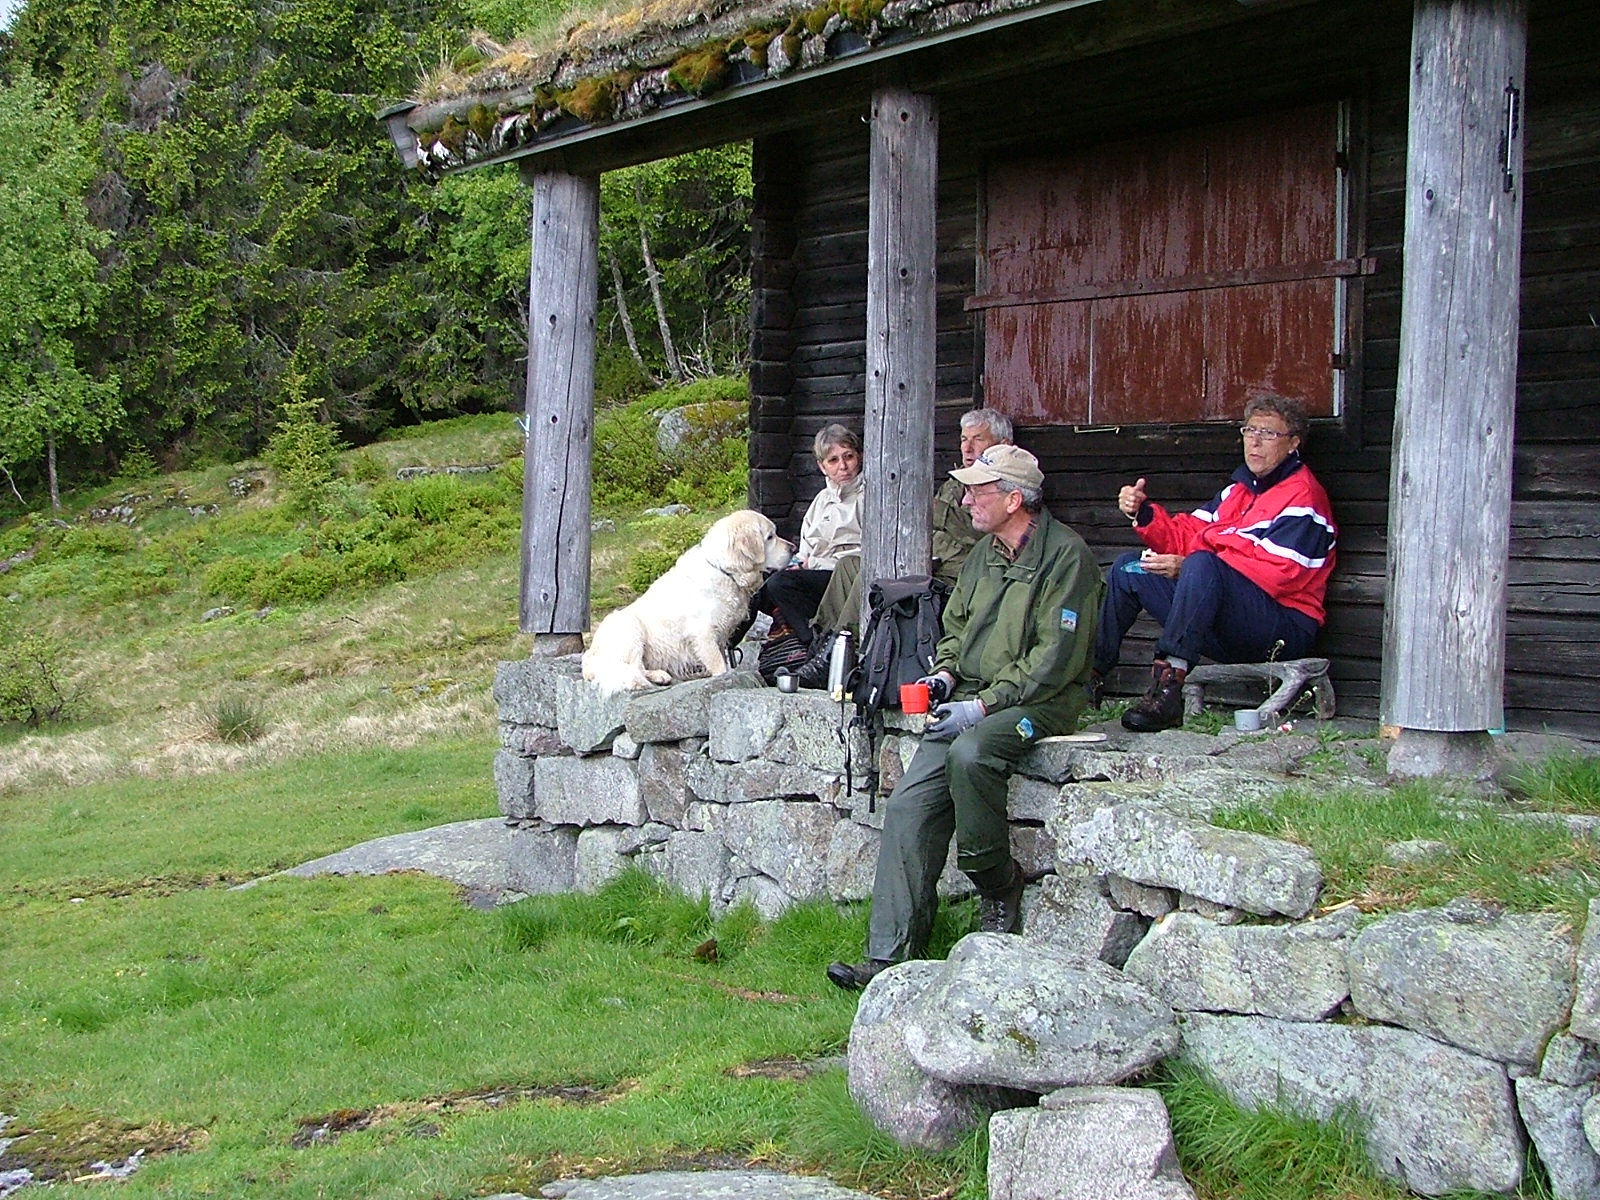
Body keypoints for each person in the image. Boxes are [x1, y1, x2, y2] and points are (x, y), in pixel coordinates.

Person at [826, 444, 1102, 990]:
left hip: (1040, 702)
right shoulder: (983, 554)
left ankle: (997, 883)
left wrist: (982, 706)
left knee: (973, 753)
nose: (966, 500)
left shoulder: (1067, 558)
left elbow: (1053, 661)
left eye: (979, 490)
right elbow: (954, 628)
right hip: (970, 698)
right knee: (907, 805)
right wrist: (945, 676)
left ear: (1014, 499)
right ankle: (889, 958)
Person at [1092, 393, 1337, 733]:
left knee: (1202, 564)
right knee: (1128, 569)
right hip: (1225, 618)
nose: (1255, 441)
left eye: (1268, 433)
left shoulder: (1303, 497)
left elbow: (1278, 573)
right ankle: (1089, 679)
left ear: (1293, 443)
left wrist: (1191, 567)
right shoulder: (1239, 491)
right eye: (1250, 431)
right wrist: (1142, 513)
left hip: (1283, 628)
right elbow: (1189, 535)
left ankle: (1167, 690)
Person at [792, 407, 1013, 689]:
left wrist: (935, 510)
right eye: (963, 439)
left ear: (1003, 444)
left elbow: (979, 533)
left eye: (977, 439)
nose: (967, 448)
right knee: (849, 566)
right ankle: (825, 645)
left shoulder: (1001, 485)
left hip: (954, 572)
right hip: (929, 559)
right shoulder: (955, 482)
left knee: (873, 574)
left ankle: (845, 650)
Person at [750, 424, 863, 678]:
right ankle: (724, 649)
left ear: (860, 456)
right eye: (833, 460)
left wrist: (814, 564)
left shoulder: (869, 496)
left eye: (848, 456)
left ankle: (815, 647)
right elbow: (805, 549)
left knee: (780, 584)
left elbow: (863, 554)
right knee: (757, 587)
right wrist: (798, 563)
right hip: (815, 573)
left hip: (845, 577)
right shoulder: (821, 500)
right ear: (822, 467)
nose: (843, 466)